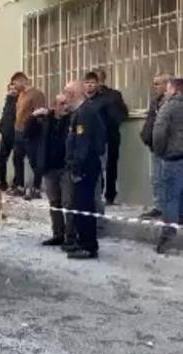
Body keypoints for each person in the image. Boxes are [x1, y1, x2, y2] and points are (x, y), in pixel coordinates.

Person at [63, 80, 106, 259]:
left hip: (86, 166)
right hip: (84, 164)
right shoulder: (82, 111)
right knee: (80, 206)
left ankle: (89, 246)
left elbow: (83, 143)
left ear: (73, 94)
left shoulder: (85, 113)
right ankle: (81, 241)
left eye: (66, 94)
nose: (64, 98)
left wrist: (77, 168)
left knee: (85, 205)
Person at [27, 94, 75, 247]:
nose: (65, 106)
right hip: (49, 167)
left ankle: (71, 237)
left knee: (69, 203)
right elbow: (27, 132)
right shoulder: (45, 120)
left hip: (67, 167)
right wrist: (33, 116)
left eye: (67, 103)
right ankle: (58, 234)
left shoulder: (73, 119)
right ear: (54, 106)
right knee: (54, 202)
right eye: (61, 103)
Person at [152, 77, 183, 254]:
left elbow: (159, 133)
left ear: (174, 89)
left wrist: (160, 152)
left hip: (172, 159)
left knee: (170, 198)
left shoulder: (169, 106)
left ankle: (167, 238)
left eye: (168, 88)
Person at [93, 68, 129, 205]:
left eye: (94, 80)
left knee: (110, 166)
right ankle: (98, 195)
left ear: (101, 80)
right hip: (95, 137)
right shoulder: (89, 97)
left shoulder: (113, 95)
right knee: (96, 167)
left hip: (110, 135)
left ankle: (109, 196)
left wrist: (112, 121)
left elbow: (123, 113)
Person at [140, 73, 171, 219]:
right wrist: (146, 136)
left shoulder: (173, 103)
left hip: (169, 148)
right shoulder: (155, 102)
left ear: (167, 84)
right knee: (156, 178)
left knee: (168, 178)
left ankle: (170, 208)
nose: (155, 87)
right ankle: (159, 206)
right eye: (154, 84)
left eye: (158, 84)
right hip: (155, 146)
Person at [11, 72, 47, 199]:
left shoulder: (36, 94)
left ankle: (36, 188)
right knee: (17, 159)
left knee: (34, 161)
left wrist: (32, 124)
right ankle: (20, 186)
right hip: (18, 132)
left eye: (16, 84)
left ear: (23, 81)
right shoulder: (21, 95)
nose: (14, 87)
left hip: (31, 133)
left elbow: (41, 112)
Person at [0, 83, 19, 191]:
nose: (12, 91)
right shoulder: (8, 101)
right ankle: (2, 182)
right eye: (10, 89)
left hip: (16, 135)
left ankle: (16, 183)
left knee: (17, 160)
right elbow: (5, 116)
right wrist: (1, 127)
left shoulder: (19, 101)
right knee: (1, 160)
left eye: (14, 89)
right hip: (6, 135)